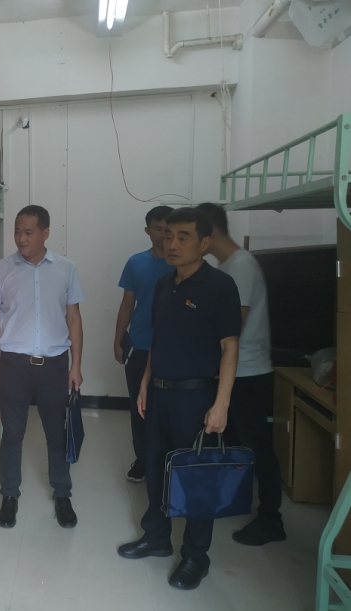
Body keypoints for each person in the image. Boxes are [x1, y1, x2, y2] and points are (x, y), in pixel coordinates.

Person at [117, 207, 242, 590]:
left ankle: (195, 557)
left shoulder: (220, 286)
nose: (172, 243)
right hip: (159, 394)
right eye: (168, 235)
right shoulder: (163, 285)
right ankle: (156, 537)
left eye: (183, 237)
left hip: (197, 397)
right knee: (155, 467)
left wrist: (221, 404)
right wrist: (145, 383)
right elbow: (159, 339)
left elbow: (230, 347)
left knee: (196, 477)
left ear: (204, 243)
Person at [0, 205, 84, 529]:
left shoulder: (66, 269)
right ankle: (10, 495)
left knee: (56, 433)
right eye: (17, 232)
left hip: (54, 366)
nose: (21, 239)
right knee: (12, 434)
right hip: (14, 366)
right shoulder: (2, 270)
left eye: (28, 232)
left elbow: (74, 318)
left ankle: (62, 494)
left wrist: (76, 365)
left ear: (45, 233)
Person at [196, 202, 286, 546]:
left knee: (257, 445)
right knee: (234, 441)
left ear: (210, 233)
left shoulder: (241, 266)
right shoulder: (229, 265)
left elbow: (235, 324)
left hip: (248, 372)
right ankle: (234, 500)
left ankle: (271, 519)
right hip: (235, 371)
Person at [113, 205, 174, 483]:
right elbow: (127, 304)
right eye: (158, 229)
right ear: (148, 230)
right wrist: (118, 340)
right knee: (139, 407)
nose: (163, 234)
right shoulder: (135, 263)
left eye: (167, 229)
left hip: (171, 348)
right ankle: (143, 460)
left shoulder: (181, 263)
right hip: (139, 345)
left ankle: (168, 461)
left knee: (168, 409)